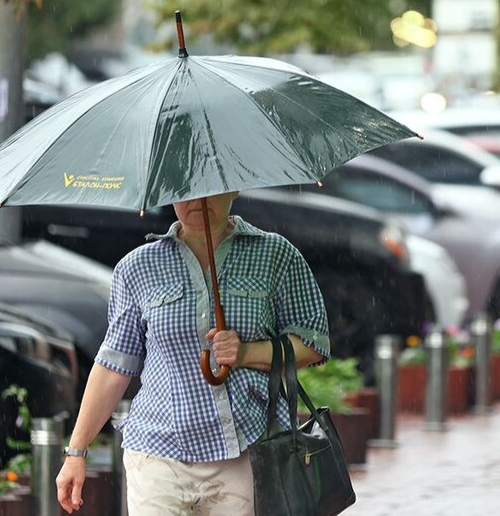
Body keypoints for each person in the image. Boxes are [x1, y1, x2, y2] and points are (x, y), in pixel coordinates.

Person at [56, 191, 330, 515]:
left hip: (246, 450)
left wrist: (246, 353)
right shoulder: (137, 267)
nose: (198, 200)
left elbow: (314, 343)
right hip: (156, 451)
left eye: (210, 190)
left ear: (234, 188)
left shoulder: (276, 255)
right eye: (184, 192)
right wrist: (76, 452)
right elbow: (114, 365)